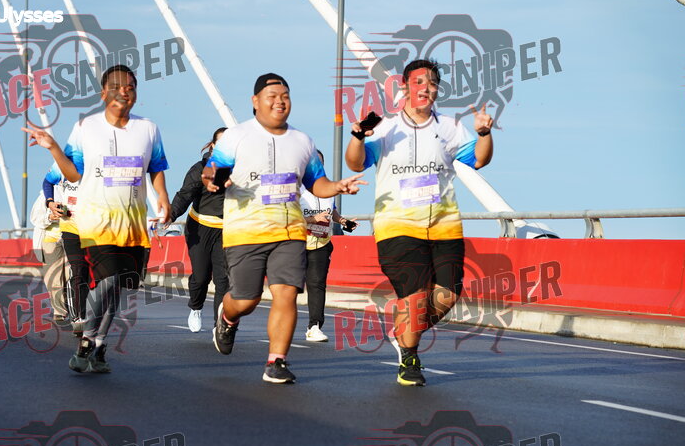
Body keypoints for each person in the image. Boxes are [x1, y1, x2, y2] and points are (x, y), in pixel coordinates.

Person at [201, 73, 366, 384]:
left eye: (285, 96)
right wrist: (211, 180)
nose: (280, 101)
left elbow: (317, 183)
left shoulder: (302, 141)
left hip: (290, 231)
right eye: (272, 96)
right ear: (255, 101)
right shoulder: (236, 136)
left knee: (287, 293)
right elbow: (212, 169)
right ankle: (228, 316)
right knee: (246, 299)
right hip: (245, 230)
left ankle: (276, 361)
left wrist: (338, 186)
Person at [345, 58, 494, 386]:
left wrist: (484, 133)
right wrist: (357, 136)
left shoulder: (450, 127)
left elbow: (479, 159)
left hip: (444, 224)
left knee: (447, 296)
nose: (426, 88)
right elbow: (355, 163)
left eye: (432, 83)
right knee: (414, 296)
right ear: (405, 87)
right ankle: (409, 359)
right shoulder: (385, 128)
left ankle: (403, 333)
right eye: (419, 82)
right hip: (396, 224)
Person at [23, 64, 172, 374]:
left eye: (130, 86)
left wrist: (162, 195)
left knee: (118, 288)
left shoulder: (149, 129)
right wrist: (53, 147)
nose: (124, 91)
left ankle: (97, 344)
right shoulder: (85, 127)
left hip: (133, 225)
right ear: (104, 93)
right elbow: (72, 174)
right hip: (95, 223)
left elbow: (156, 167)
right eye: (117, 86)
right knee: (109, 279)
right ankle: (88, 340)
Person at [170, 127, 229, 333]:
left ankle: (219, 326)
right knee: (201, 277)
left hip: (226, 231)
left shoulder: (240, 169)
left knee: (223, 279)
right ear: (213, 145)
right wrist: (171, 214)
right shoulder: (200, 168)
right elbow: (185, 194)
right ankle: (195, 308)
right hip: (200, 228)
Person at [300, 150, 358, 342]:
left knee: (317, 284)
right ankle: (282, 323)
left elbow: (332, 212)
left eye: (319, 163)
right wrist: (312, 219)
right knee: (290, 287)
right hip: (296, 243)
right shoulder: (296, 188)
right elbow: (287, 216)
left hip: (321, 243)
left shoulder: (328, 189)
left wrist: (345, 222)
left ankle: (314, 326)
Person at [42, 159, 87, 336]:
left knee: (97, 274)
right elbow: (47, 181)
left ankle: (93, 311)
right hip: (70, 226)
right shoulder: (63, 162)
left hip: (97, 227)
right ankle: (79, 317)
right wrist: (50, 202)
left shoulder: (102, 160)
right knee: (77, 270)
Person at [30, 189, 68, 324]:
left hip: (73, 238)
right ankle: (60, 311)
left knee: (71, 275)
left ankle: (76, 309)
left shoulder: (81, 188)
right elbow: (35, 218)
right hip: (50, 240)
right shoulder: (47, 195)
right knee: (54, 278)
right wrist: (50, 217)